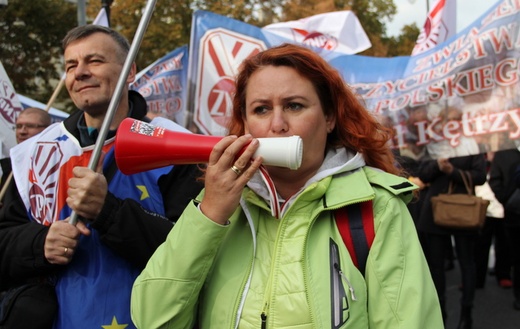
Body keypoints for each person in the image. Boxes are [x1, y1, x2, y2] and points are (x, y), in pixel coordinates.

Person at [131, 43, 443, 328]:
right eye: (261, 109)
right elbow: (153, 320)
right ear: (246, 123)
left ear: (330, 117)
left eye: (294, 106)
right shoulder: (220, 204)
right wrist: (209, 214)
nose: (277, 125)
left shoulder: (376, 207)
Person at [0, 25, 203, 328]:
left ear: (130, 70)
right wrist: (40, 243)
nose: (79, 72)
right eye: (71, 65)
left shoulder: (176, 147)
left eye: (94, 61)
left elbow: (194, 254)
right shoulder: (34, 153)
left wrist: (107, 211)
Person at [417, 153, 487, 328]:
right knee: (436, 266)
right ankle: (440, 313)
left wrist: (452, 171)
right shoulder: (434, 144)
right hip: (435, 211)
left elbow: (480, 177)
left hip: (463, 210)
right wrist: (438, 166)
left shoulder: (472, 145)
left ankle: (466, 314)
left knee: (467, 263)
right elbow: (423, 174)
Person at [489, 145, 520, 311]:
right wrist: (507, 201)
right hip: (514, 214)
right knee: (515, 255)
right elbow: (495, 181)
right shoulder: (504, 153)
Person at [0, 107, 51, 201]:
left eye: (30, 126)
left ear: (47, 129)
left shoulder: (52, 165)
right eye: (18, 126)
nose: (22, 131)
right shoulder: (9, 166)